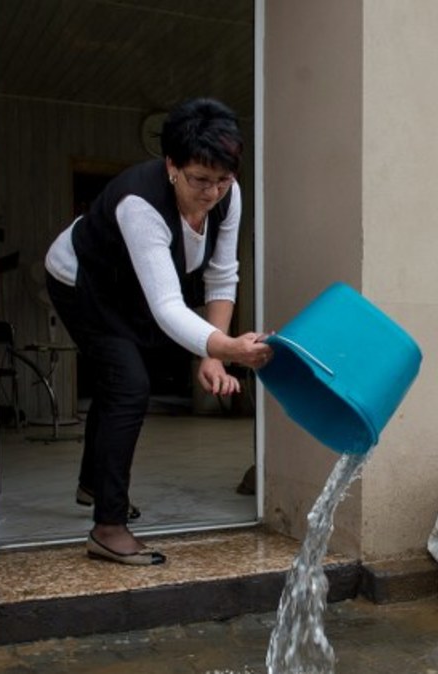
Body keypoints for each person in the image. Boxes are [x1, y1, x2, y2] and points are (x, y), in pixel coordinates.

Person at [44, 98, 271, 566]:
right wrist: (227, 346)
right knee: (128, 382)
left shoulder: (229, 194)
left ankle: (94, 482)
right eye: (199, 180)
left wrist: (214, 356)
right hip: (83, 280)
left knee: (122, 376)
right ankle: (107, 527)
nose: (211, 193)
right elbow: (168, 306)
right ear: (171, 165)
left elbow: (222, 275)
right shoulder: (139, 204)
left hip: (135, 289)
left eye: (222, 180)